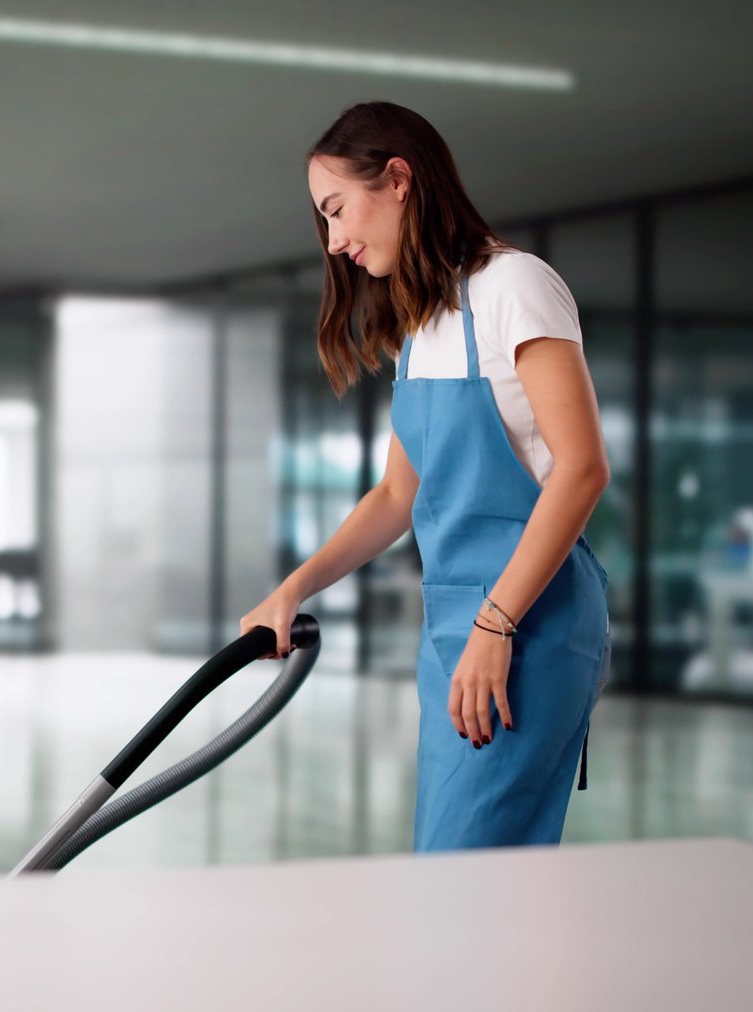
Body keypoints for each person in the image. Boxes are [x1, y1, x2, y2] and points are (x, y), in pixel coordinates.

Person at [241, 102, 613, 851]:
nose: (333, 240)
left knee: (470, 864)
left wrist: (496, 622)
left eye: (336, 209)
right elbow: (395, 496)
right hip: (452, 634)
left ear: (399, 179)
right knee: (453, 866)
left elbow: (582, 469)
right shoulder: (424, 325)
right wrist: (294, 588)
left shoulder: (515, 286)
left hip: (526, 623)